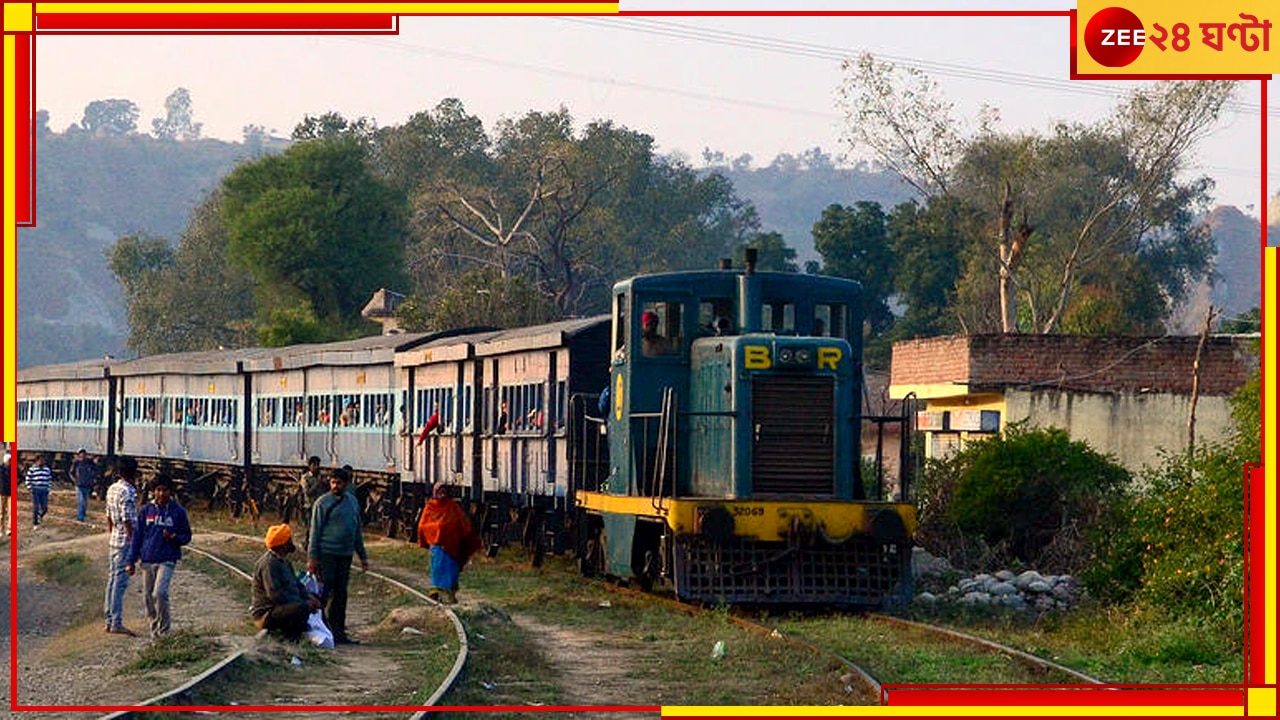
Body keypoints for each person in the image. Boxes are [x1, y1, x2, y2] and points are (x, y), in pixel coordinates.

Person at [307, 465, 368, 645]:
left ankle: (339, 633)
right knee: (324, 594)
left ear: (346, 484)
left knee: (340, 595)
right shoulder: (322, 503)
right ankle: (319, 631)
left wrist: (362, 556)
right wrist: (312, 558)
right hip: (327, 555)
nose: (335, 486)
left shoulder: (352, 502)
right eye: (333, 482)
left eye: (339, 483)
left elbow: (356, 531)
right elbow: (314, 532)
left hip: (345, 555)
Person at [126, 476, 192, 637]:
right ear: (153, 491)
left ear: (170, 492)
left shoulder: (178, 512)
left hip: (167, 559)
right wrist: (131, 561)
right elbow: (137, 537)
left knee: (160, 593)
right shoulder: (146, 511)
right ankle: (154, 629)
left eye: (165, 490)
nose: (161, 493)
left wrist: (174, 537)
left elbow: (187, 536)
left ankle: (164, 630)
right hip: (147, 560)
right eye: (158, 490)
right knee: (148, 598)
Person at [250, 524, 321, 641]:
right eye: (289, 540)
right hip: (266, 614)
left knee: (313, 600)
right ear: (283, 544)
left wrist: (309, 596)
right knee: (302, 607)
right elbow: (276, 595)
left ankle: (299, 632)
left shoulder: (284, 561)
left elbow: (297, 584)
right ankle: (293, 635)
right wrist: (303, 602)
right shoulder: (269, 564)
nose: (291, 542)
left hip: (281, 608)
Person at [416, 483, 482, 605]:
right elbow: (422, 525)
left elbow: (464, 524)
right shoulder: (430, 507)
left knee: (451, 569)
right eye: (440, 492)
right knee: (438, 567)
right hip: (438, 546)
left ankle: (449, 593)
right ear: (435, 493)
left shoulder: (452, 506)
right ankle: (437, 591)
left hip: (453, 545)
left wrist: (464, 535)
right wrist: (437, 529)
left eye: (444, 492)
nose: (442, 495)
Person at [104, 455, 139, 635]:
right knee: (120, 583)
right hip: (125, 542)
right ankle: (116, 621)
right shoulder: (129, 492)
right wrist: (134, 543)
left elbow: (109, 516)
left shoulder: (112, 489)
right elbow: (128, 520)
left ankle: (109, 619)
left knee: (112, 580)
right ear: (133, 473)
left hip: (114, 540)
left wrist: (113, 533)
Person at [24, 453, 53, 529]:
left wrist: (48, 488)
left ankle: (40, 516)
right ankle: (35, 523)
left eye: (43, 460)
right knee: (36, 507)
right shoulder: (32, 469)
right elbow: (28, 479)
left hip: (44, 490)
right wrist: (30, 488)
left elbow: (49, 479)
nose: (42, 462)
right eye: (40, 460)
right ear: (37, 461)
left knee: (45, 507)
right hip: (35, 489)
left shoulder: (47, 469)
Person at [71, 448, 100, 522]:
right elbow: (71, 472)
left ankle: (82, 515)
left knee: (85, 501)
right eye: (81, 453)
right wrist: (75, 480)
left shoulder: (89, 462)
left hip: (87, 484)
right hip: (79, 484)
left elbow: (95, 470)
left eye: (83, 453)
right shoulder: (76, 463)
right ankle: (80, 517)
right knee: (81, 501)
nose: (82, 455)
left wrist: (93, 479)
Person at [1, 444, 12, 537]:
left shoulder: (13, 469)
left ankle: (9, 529)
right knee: (1, 512)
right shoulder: (0, 469)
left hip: (11, 493)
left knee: (11, 512)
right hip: (1, 492)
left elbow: (20, 476)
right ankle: (1, 529)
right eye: (9, 461)